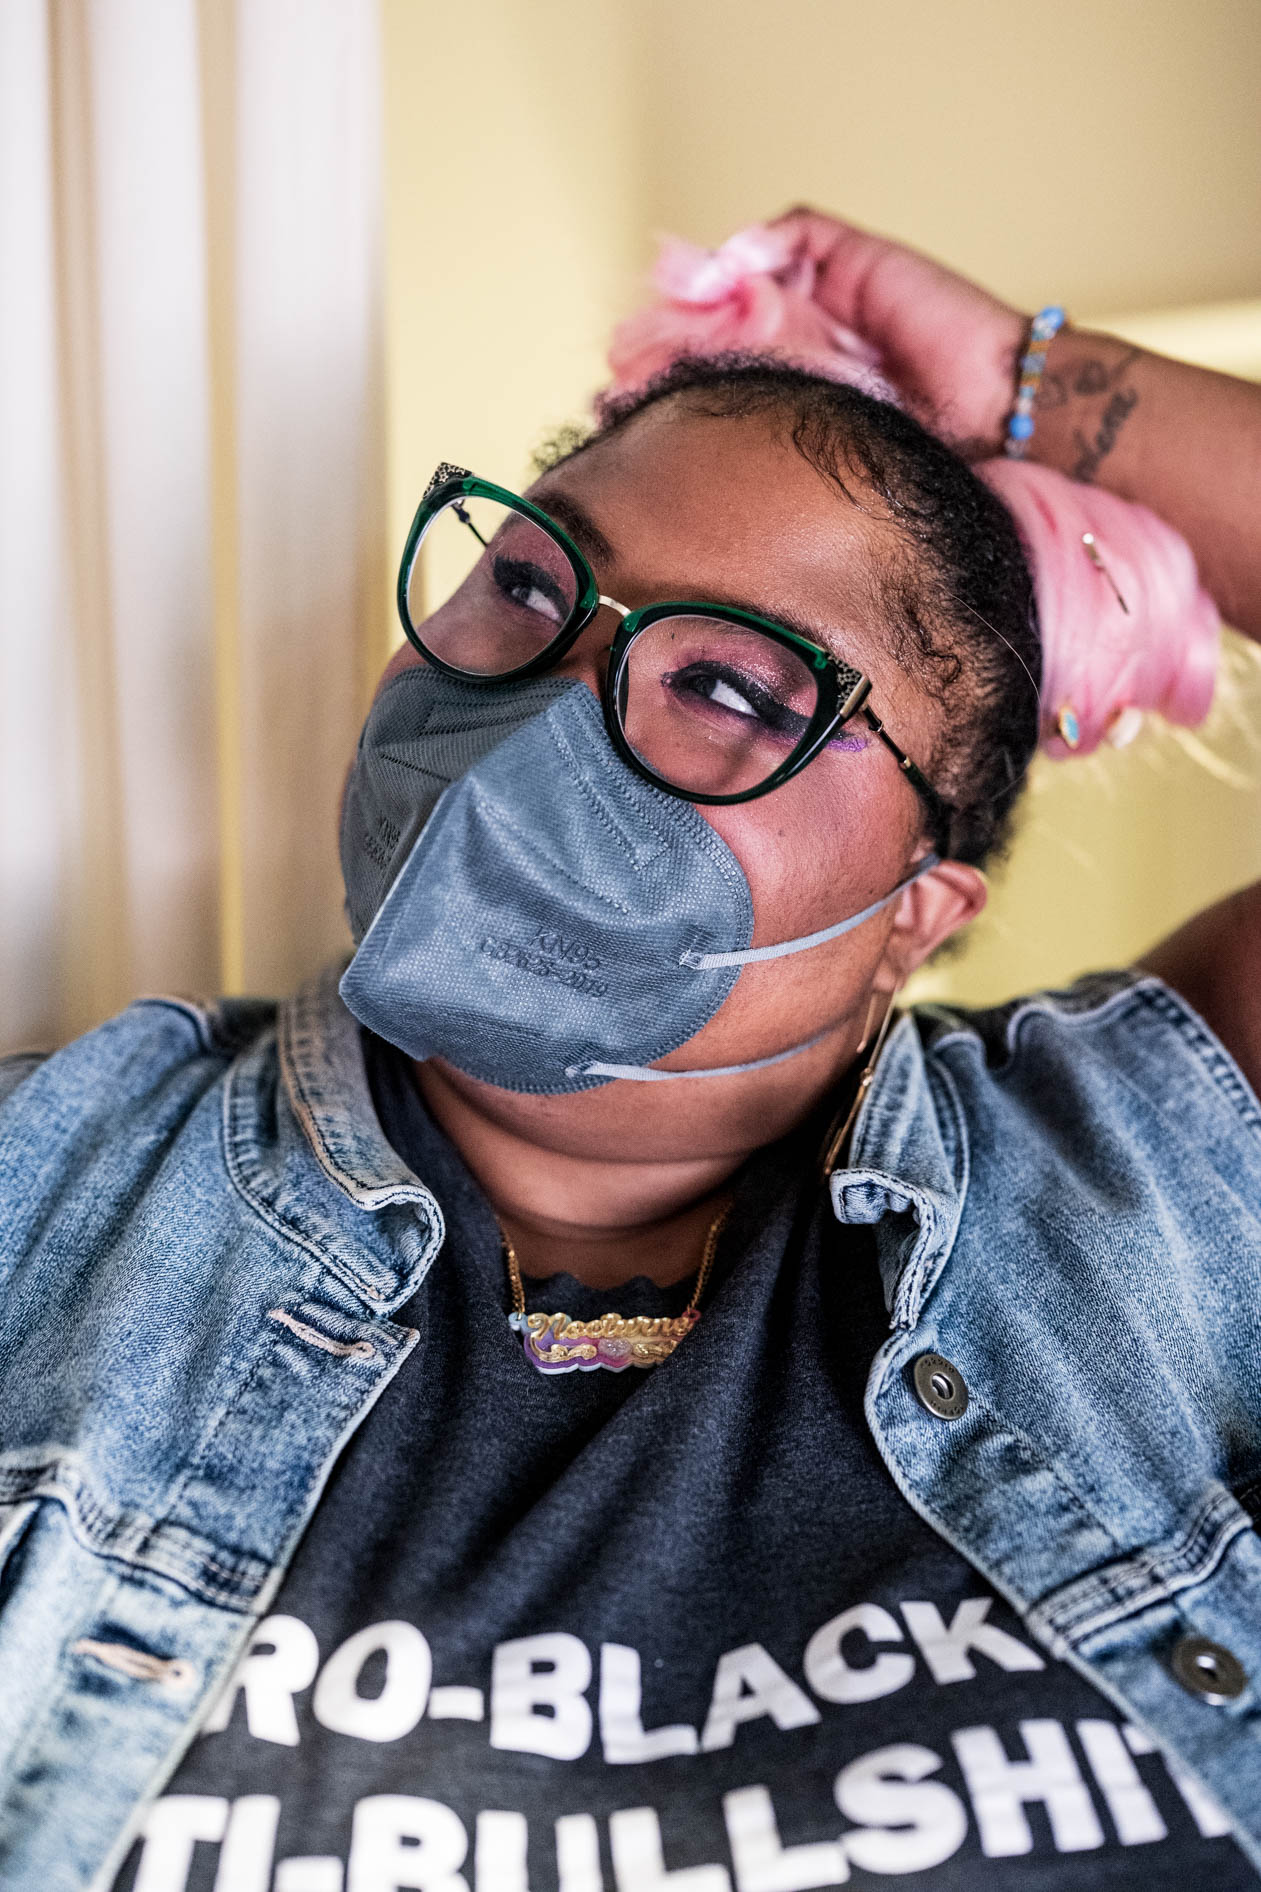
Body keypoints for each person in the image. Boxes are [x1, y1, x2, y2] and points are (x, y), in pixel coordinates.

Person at [2, 207, 1260, 1892]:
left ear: (914, 907)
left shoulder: (1157, 1172)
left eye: (735, 688)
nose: (543, 712)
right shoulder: (45, 1188)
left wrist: (1039, 386)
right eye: (529, 581)